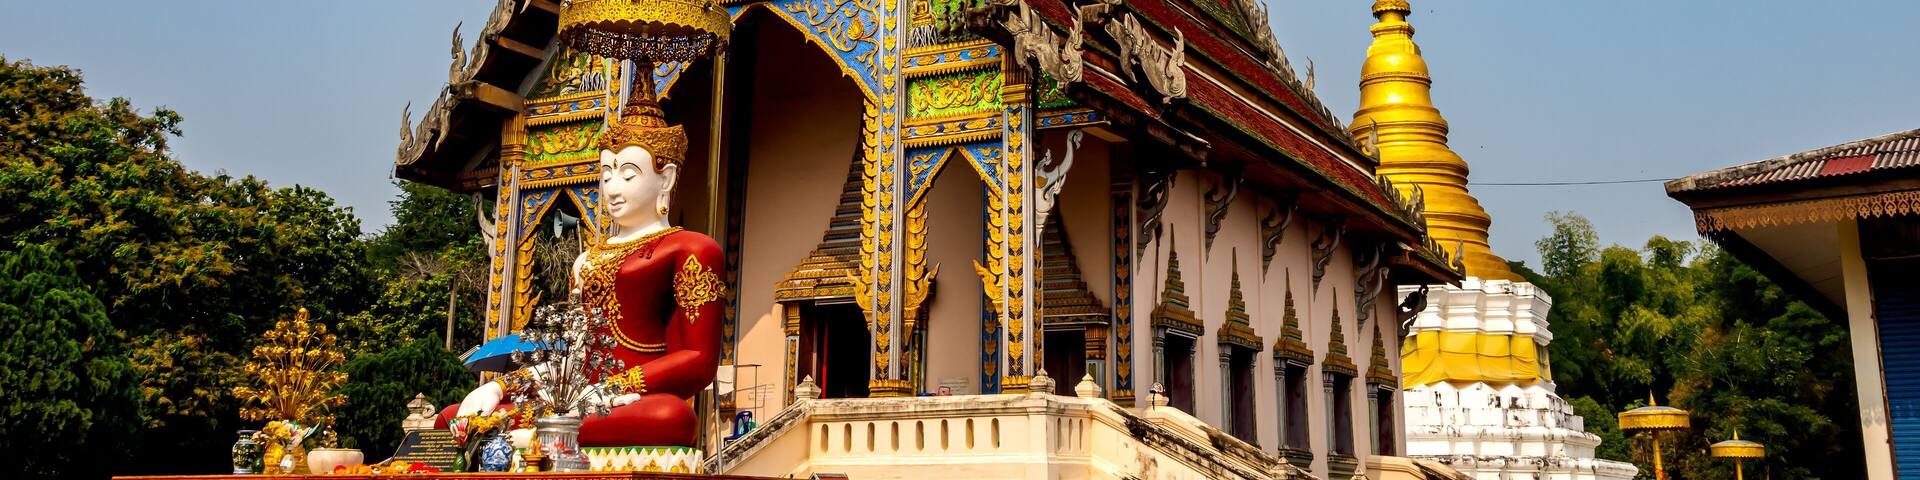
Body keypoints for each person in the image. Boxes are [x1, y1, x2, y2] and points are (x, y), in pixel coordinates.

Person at [440, 73, 725, 448]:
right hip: (577, 397)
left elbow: (698, 360)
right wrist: (500, 384)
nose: (612, 188)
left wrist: (612, 388)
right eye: (606, 174)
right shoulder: (587, 259)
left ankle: (542, 436)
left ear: (666, 179)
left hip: (630, 400)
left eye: (628, 174)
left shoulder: (691, 249)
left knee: (672, 418)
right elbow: (573, 350)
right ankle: (540, 434)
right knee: (453, 417)